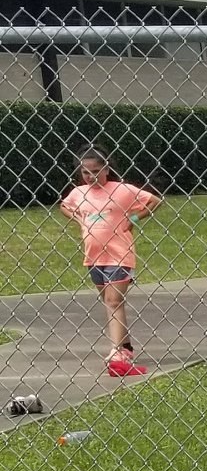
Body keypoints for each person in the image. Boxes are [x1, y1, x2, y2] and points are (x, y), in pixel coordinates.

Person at [59, 147, 160, 376]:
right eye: (86, 172)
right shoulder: (79, 192)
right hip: (94, 255)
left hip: (119, 253)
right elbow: (65, 206)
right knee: (110, 301)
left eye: (96, 171)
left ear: (106, 169)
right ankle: (125, 347)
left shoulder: (121, 190)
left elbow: (153, 200)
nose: (91, 177)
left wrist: (132, 218)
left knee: (114, 301)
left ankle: (116, 350)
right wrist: (79, 220)